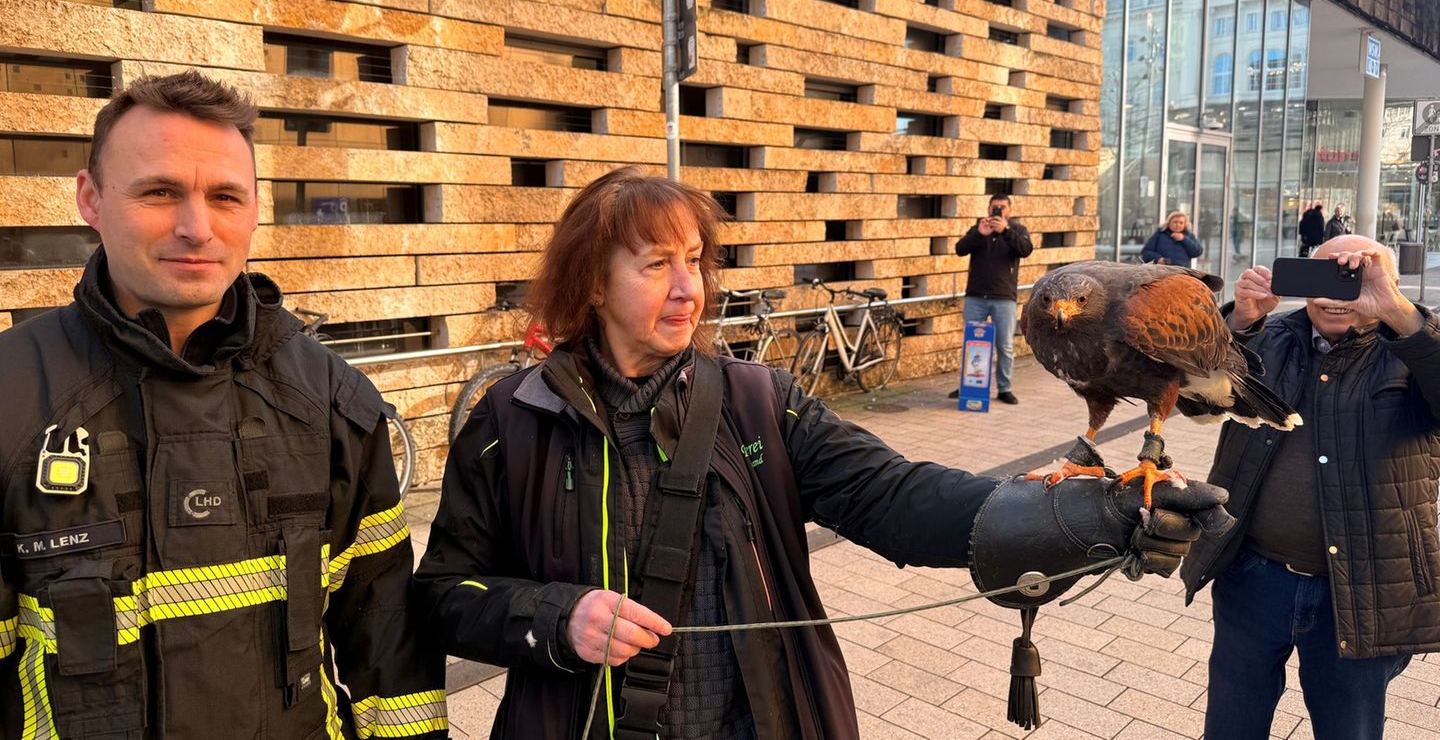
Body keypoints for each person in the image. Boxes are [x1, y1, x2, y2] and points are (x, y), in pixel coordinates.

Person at [415, 167, 1232, 740]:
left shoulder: (758, 402)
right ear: (592, 283)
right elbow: (447, 593)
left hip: (761, 720)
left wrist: (1095, 509)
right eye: (656, 264)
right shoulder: (510, 419)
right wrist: (557, 618)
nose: (687, 288)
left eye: (694, 260)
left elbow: (897, 499)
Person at [0, 72, 446, 739]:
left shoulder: (331, 402)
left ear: (256, 208)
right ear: (90, 199)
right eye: (160, 192)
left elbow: (387, 655)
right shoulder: (12, 398)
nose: (196, 227)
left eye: (225, 197)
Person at [1181, 235, 1440, 740]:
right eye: (1323, 276)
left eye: (1356, 278)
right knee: (1231, 725)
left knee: (1349, 730)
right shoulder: (1268, 338)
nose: (1335, 294)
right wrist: (1236, 324)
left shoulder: (1411, 349)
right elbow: (1195, 403)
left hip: (1363, 588)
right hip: (1253, 577)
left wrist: (1398, 311)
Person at [949, 194, 1032, 404]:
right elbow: (960, 249)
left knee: (1004, 345)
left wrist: (1005, 231)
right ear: (988, 208)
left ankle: (1004, 388)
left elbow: (1026, 250)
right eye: (994, 207)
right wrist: (979, 234)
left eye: (1002, 207)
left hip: (1004, 297)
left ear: (1009, 211)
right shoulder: (979, 227)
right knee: (972, 343)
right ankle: (968, 386)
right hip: (976, 296)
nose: (997, 211)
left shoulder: (1017, 230)